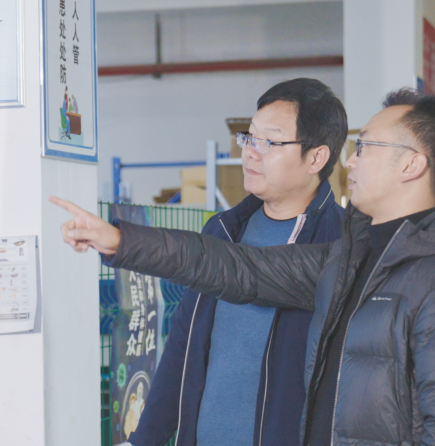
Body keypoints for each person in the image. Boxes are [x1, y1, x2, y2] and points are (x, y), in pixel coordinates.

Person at [51, 89, 435, 445]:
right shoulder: (350, 258)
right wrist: (122, 241)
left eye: (365, 146)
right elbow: (239, 269)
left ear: (411, 165)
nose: (351, 159)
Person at [120, 79, 347, 446]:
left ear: (316, 158)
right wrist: (143, 439)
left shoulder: (342, 245)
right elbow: (182, 348)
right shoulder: (223, 231)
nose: (250, 153)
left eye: (269, 142)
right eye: (249, 137)